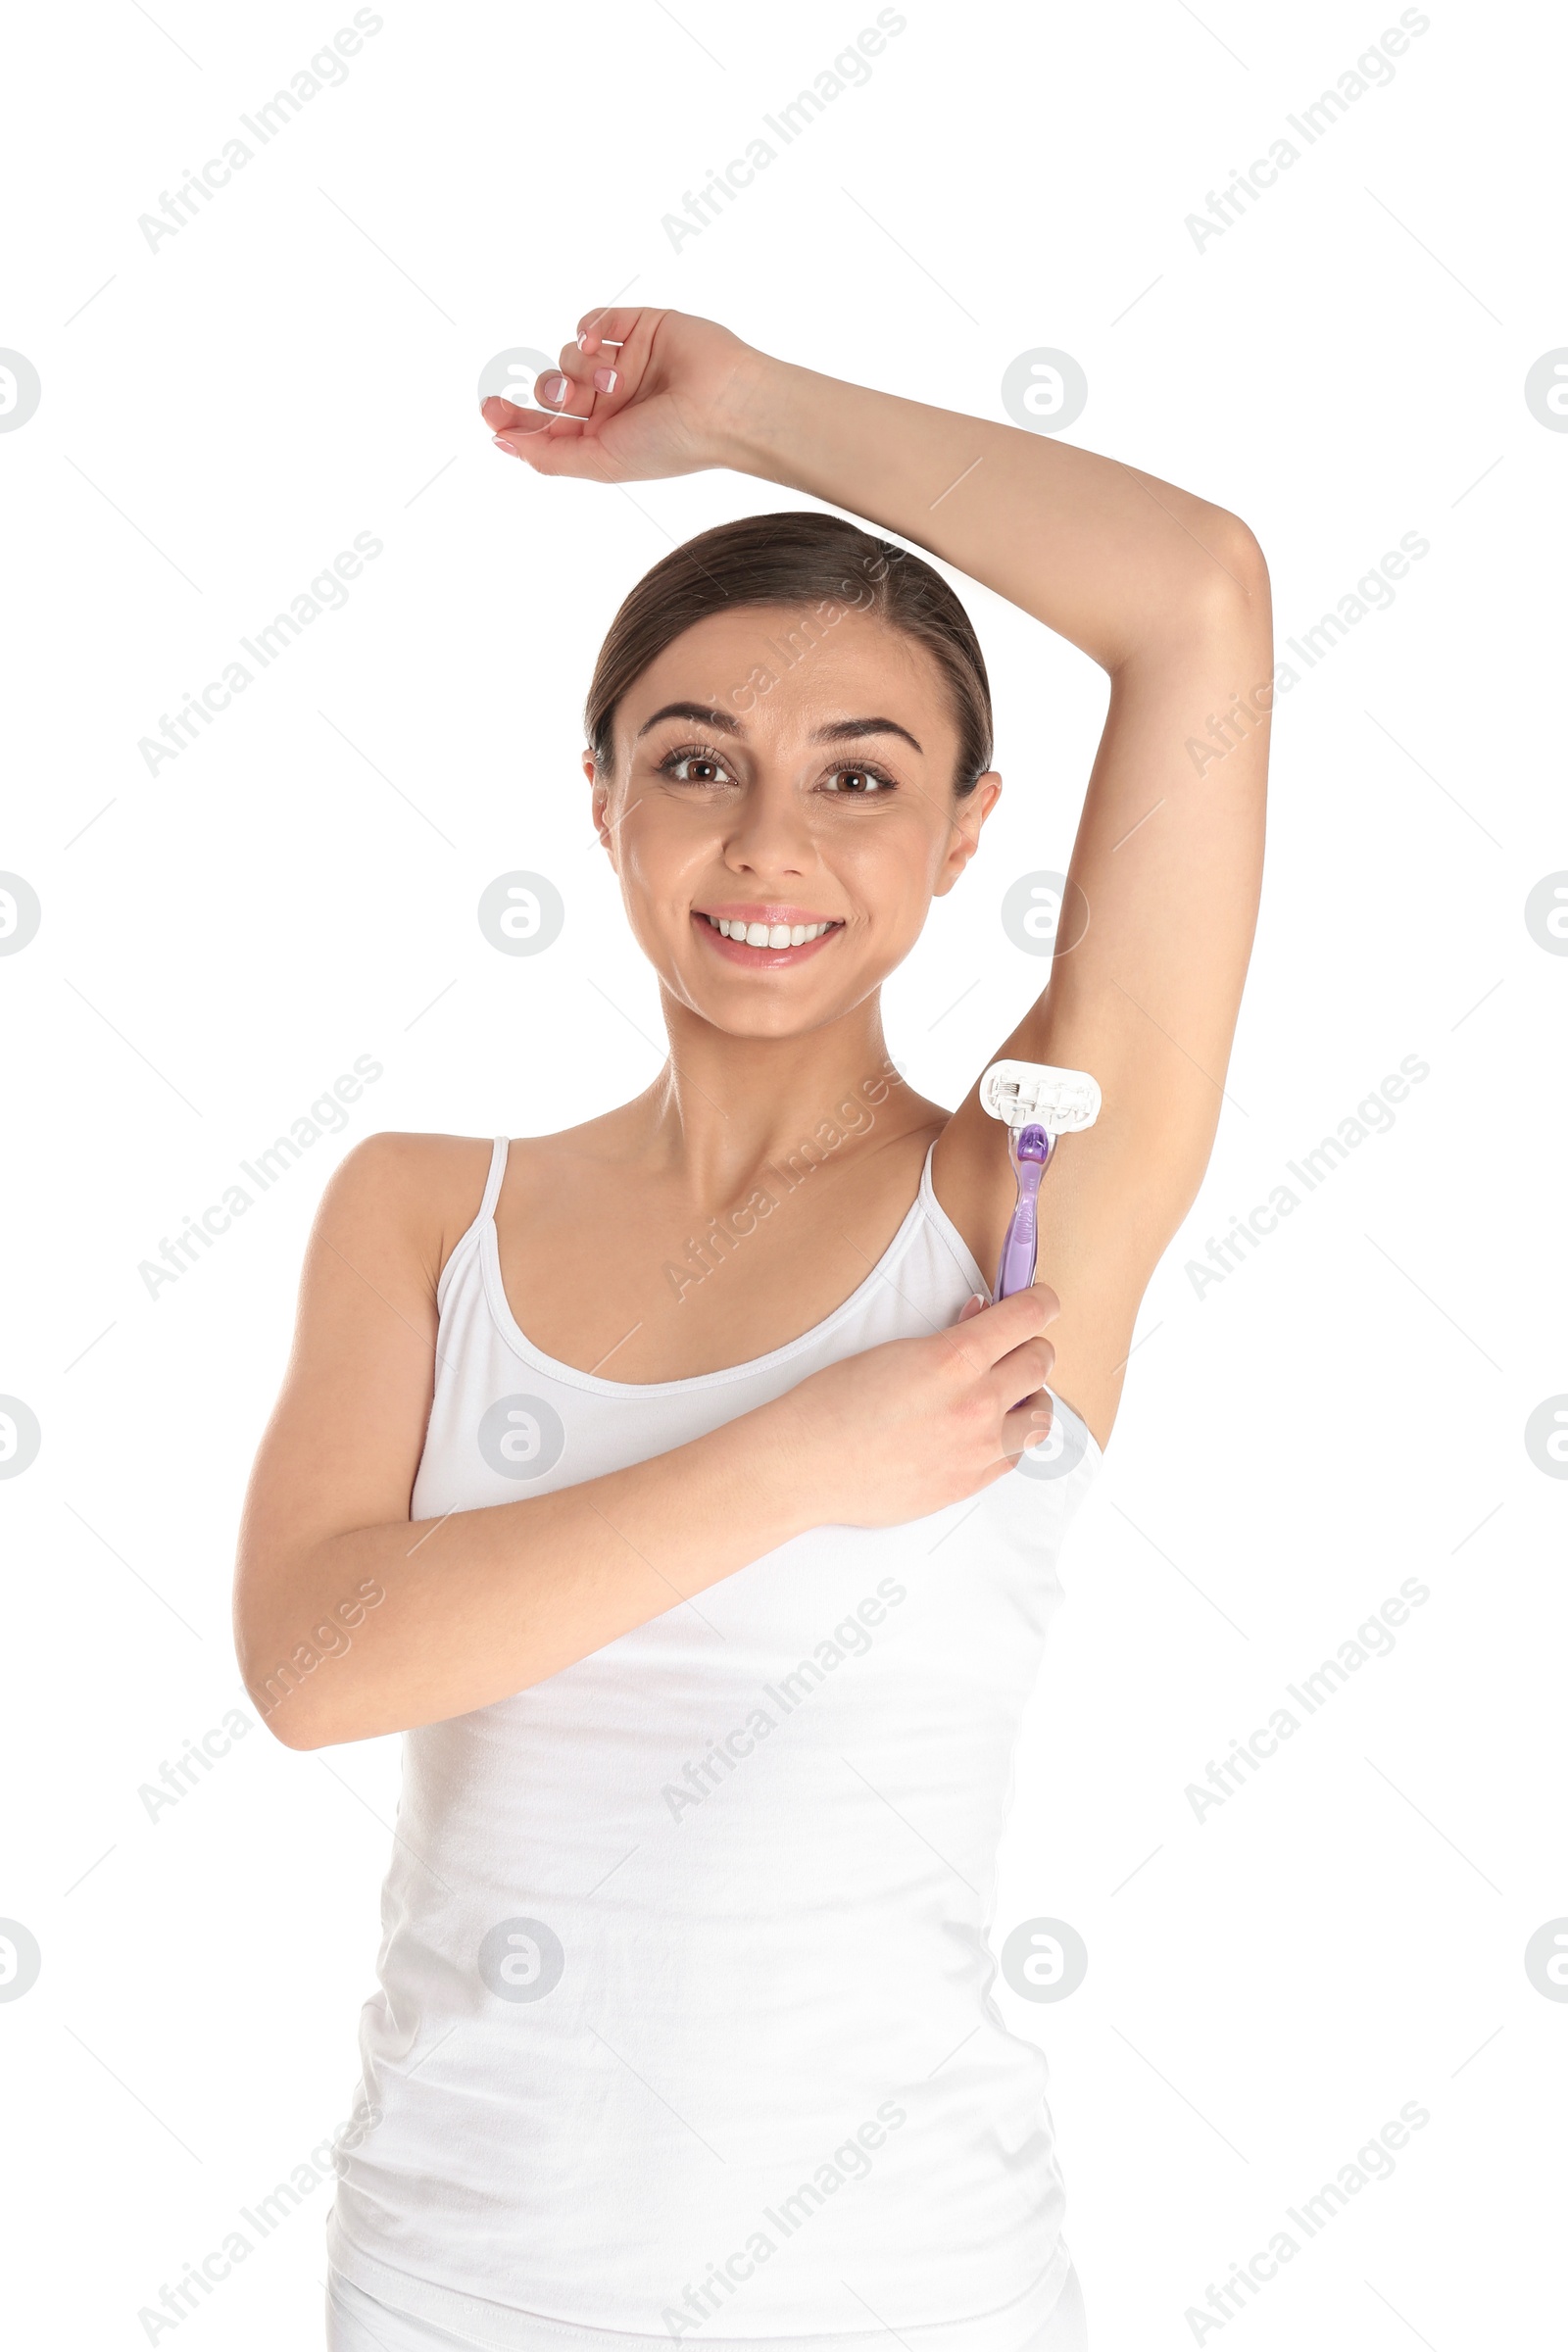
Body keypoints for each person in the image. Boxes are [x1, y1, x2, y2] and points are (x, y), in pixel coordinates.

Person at [234, 307, 1270, 2352]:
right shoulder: (428, 1207)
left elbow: (1197, 600)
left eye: (857, 776)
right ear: (603, 801)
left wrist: (747, 423)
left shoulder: (1012, 1213)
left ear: (971, 830)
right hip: (455, 2282)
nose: (768, 845)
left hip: (901, 2293)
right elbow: (319, 1666)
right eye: (694, 761)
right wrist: (797, 1459)